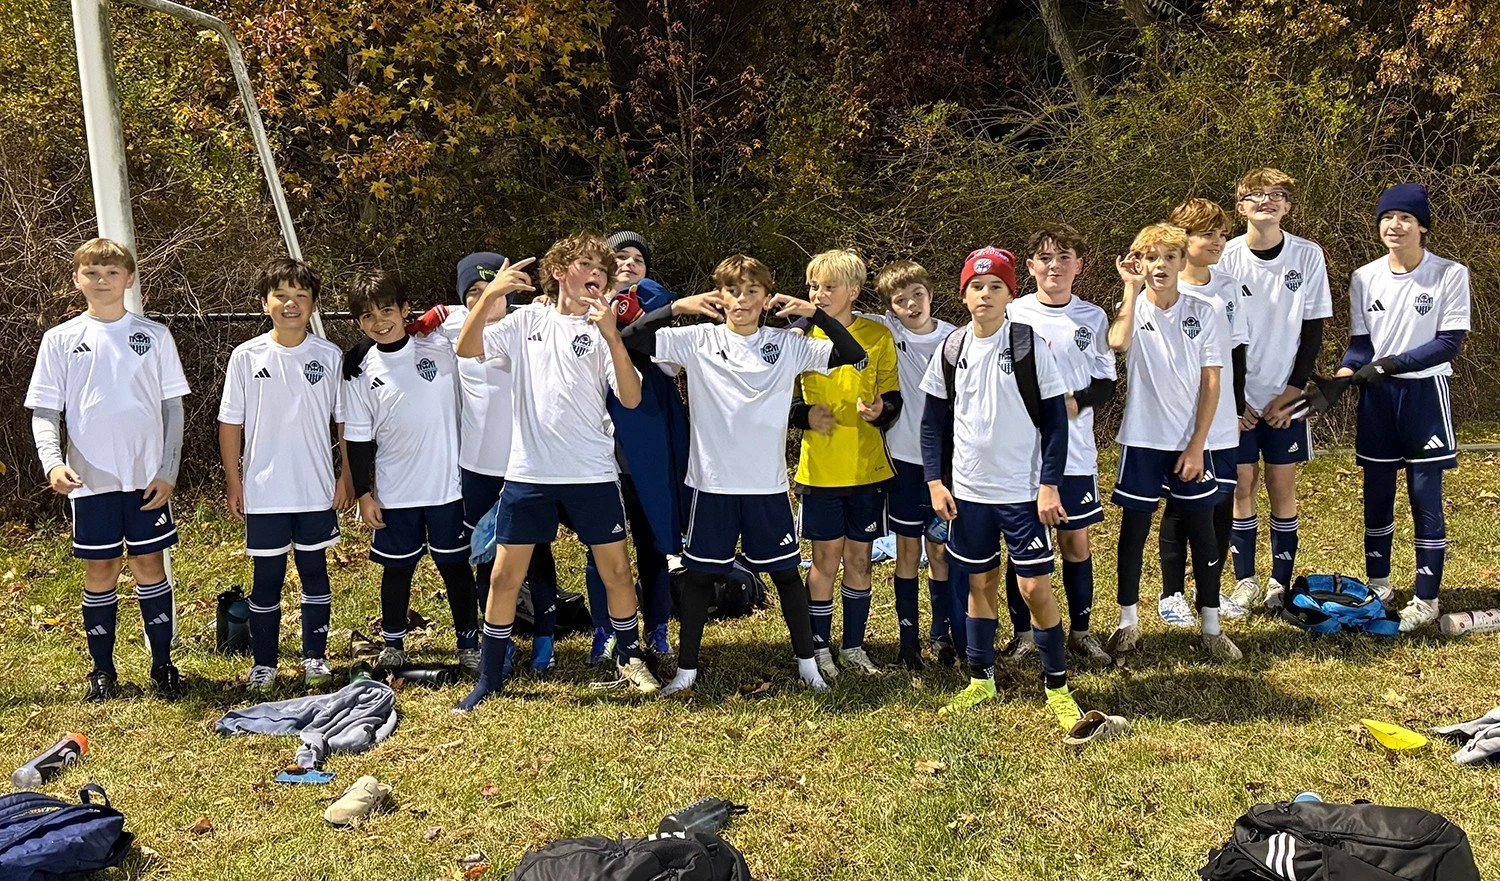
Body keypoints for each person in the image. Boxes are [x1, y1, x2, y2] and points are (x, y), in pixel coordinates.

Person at [619, 254, 865, 695]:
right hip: (709, 485)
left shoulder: (786, 343)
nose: (743, 300)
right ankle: (687, 671)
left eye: (753, 291)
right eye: (733, 290)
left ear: (767, 298)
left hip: (766, 486)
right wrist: (676, 308)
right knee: (697, 578)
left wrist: (816, 314)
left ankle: (808, 666)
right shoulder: (696, 340)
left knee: (787, 577)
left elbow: (853, 353)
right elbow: (629, 339)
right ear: (720, 295)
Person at [451, 233, 668, 710]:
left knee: (616, 571)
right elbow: (467, 350)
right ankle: (489, 677)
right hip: (529, 473)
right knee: (505, 577)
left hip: (591, 473)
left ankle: (630, 659)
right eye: (587, 263)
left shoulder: (602, 328)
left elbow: (630, 398)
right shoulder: (526, 320)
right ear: (558, 271)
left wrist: (612, 335)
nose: (598, 272)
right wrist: (490, 295)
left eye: (603, 269)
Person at [920, 246, 1086, 730]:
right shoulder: (951, 349)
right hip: (969, 493)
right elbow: (932, 426)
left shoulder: (1028, 343)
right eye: (977, 286)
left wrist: (1049, 486)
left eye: (996, 287)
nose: (985, 294)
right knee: (979, 582)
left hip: (1023, 493)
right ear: (964, 294)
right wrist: (935, 481)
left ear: (1011, 294)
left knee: (1034, 586)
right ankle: (981, 678)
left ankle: (1057, 685)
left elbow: (1056, 425)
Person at [26, 238, 190, 701]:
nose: (102, 281)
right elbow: (44, 410)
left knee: (149, 564)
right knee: (100, 569)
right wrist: (53, 463)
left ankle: (163, 666)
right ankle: (103, 672)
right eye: (92, 273)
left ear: (129, 279)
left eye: (112, 273)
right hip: (89, 481)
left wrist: (168, 470)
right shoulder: (60, 339)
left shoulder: (154, 335)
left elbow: (172, 408)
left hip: (147, 481)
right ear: (77, 279)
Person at [1336, 183, 1470, 631]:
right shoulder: (1363, 277)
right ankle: (1380, 586)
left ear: (1422, 227)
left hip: (1424, 396)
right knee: (1376, 492)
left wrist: (1388, 365)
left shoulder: (1450, 273)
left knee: (1424, 494)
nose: (1395, 226)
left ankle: (1426, 597)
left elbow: (1448, 343)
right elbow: (1360, 346)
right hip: (1378, 399)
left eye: (1405, 218)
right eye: (1387, 218)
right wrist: (1344, 373)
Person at [1105, 224, 1242, 661]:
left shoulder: (1206, 309)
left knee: (1202, 528)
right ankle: (1128, 621)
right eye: (1150, 258)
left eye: (1168, 257)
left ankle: (1211, 625)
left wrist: (1197, 444)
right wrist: (1129, 289)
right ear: (1138, 263)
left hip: (1190, 441)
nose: (1159, 266)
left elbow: (1213, 380)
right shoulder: (1131, 308)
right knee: (1134, 529)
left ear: (1184, 262)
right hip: (1143, 438)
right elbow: (1117, 342)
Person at [218, 257, 349, 690]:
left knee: (315, 572)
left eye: (301, 296)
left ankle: (315, 657)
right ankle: (265, 664)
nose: (290, 304)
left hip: (313, 488)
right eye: (281, 295)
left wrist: (345, 477)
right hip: (265, 490)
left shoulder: (328, 356)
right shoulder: (246, 355)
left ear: (313, 305)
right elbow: (230, 423)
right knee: (267, 580)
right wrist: (235, 481)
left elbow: (344, 422)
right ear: (264, 302)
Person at [340, 270, 480, 674]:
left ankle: (468, 644)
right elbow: (359, 439)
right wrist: (364, 494)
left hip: (447, 487)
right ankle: (394, 645)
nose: (380, 322)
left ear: (405, 310)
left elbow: (471, 313)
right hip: (395, 491)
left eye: (388, 310)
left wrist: (431, 318)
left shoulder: (438, 346)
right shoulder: (359, 369)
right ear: (358, 323)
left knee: (454, 566)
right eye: (367, 317)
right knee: (397, 568)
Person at [433, 252, 562, 674]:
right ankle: (497, 642)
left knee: (536, 555)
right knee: (486, 560)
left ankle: (545, 638)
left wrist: (542, 301)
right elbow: (393, 330)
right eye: (475, 293)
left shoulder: (529, 325)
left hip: (527, 465)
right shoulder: (453, 328)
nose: (487, 301)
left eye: (496, 292)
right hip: (477, 469)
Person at [573, 230, 690, 666]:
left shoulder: (659, 305)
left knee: (652, 539)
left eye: (637, 259)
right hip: (595, 439)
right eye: (619, 257)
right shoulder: (577, 310)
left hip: (647, 439)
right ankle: (605, 630)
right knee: (600, 544)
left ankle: (658, 626)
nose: (628, 264)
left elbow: (654, 347)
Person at [1001, 226, 1116, 667]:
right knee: (1024, 545)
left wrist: (1077, 400)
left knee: (1075, 543)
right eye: (1045, 258)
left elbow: (1106, 382)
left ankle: (1083, 632)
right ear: (1030, 267)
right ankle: (1025, 635)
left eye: (1064, 257)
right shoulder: (1011, 314)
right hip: (1021, 453)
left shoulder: (1093, 317)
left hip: (1075, 451)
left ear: (1079, 266)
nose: (1054, 266)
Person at [1217, 168, 1331, 611]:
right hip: (1238, 397)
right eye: (1255, 195)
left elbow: (1313, 332)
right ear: (1240, 206)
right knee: (1241, 483)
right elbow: (1219, 334)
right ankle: (1244, 579)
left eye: (1276, 195)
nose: (1266, 201)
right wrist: (1234, 397)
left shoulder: (1308, 256)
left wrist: (1293, 390)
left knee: (1282, 485)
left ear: (1287, 206)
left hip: (1287, 396)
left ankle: (1278, 582)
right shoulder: (1224, 258)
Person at [793, 249, 901, 680]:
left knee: (859, 559)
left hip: (866, 469)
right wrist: (803, 416)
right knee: (825, 560)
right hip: (820, 470)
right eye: (813, 287)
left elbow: (892, 397)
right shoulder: (797, 337)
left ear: (853, 292)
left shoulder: (876, 337)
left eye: (829, 287)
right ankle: (818, 647)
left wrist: (882, 411)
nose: (818, 294)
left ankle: (854, 646)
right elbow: (769, 398)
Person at [1156, 200, 1251, 625]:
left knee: (1222, 502)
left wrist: (1239, 403)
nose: (1218, 242)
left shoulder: (1229, 285)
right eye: (1206, 234)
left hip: (1224, 418)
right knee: (1181, 506)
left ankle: (1207, 587)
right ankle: (1172, 593)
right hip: (1182, 421)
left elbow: (1238, 350)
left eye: (1222, 234)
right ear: (1183, 240)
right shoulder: (1163, 289)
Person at [869, 260, 956, 669]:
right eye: (900, 301)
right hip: (903, 462)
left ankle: (944, 635)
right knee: (906, 551)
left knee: (939, 551)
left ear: (931, 293)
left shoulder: (956, 339)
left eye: (917, 295)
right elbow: (840, 314)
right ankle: (908, 642)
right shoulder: (888, 332)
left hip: (947, 466)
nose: (911, 305)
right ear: (890, 308)